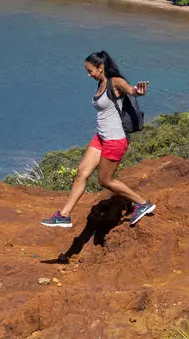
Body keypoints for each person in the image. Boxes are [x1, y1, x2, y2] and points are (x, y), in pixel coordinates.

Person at [40, 51, 156, 228]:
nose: (88, 74)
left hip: (114, 140)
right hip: (101, 137)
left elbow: (132, 90)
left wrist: (138, 92)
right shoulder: (101, 83)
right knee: (82, 173)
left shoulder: (115, 82)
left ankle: (141, 203)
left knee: (105, 180)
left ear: (100, 67)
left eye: (90, 70)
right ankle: (64, 216)